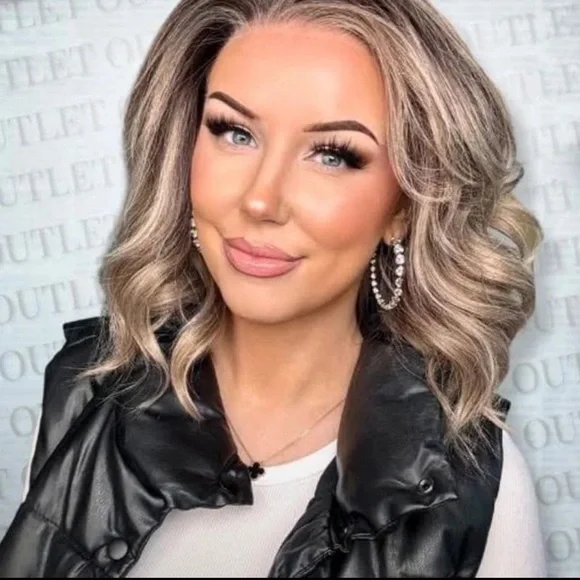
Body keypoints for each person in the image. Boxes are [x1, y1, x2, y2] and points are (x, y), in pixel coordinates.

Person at [0, 0, 547, 577]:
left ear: (405, 207)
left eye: (333, 155)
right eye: (235, 132)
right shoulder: (86, 395)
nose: (261, 199)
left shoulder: (477, 484)